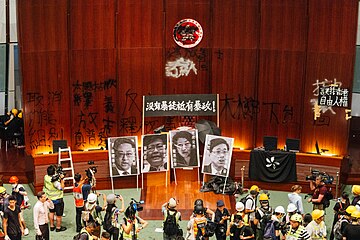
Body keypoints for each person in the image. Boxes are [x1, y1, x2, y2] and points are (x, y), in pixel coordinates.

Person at [43, 165, 66, 232]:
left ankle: (52, 226)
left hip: (49, 198)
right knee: (59, 215)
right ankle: (58, 227)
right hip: (58, 199)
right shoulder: (55, 182)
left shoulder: (46, 177)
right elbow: (62, 188)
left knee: (51, 212)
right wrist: (61, 179)